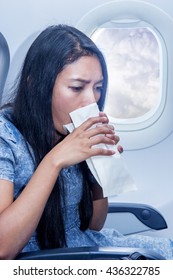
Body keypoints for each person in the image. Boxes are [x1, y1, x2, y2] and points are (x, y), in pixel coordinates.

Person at [0, 24, 172, 260]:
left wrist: (99, 166)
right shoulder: (5, 137)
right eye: (77, 87)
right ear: (34, 84)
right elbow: (3, 248)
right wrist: (55, 160)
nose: (91, 100)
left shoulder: (68, 134)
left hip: (84, 246)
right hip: (49, 260)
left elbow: (94, 224)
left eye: (98, 88)